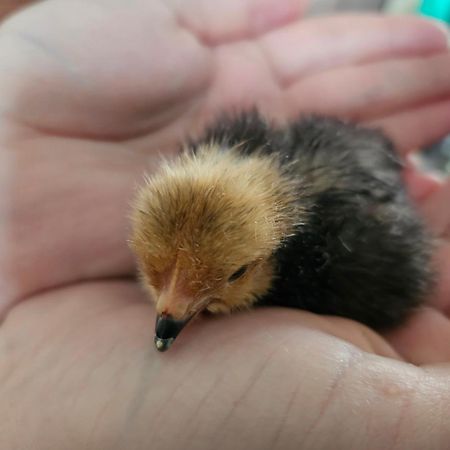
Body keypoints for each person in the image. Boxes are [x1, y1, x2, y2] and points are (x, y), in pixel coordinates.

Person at [1, 1, 450, 448]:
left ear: (270, 256)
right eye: (151, 264)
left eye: (233, 274)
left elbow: (401, 272)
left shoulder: (359, 262)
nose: (168, 311)